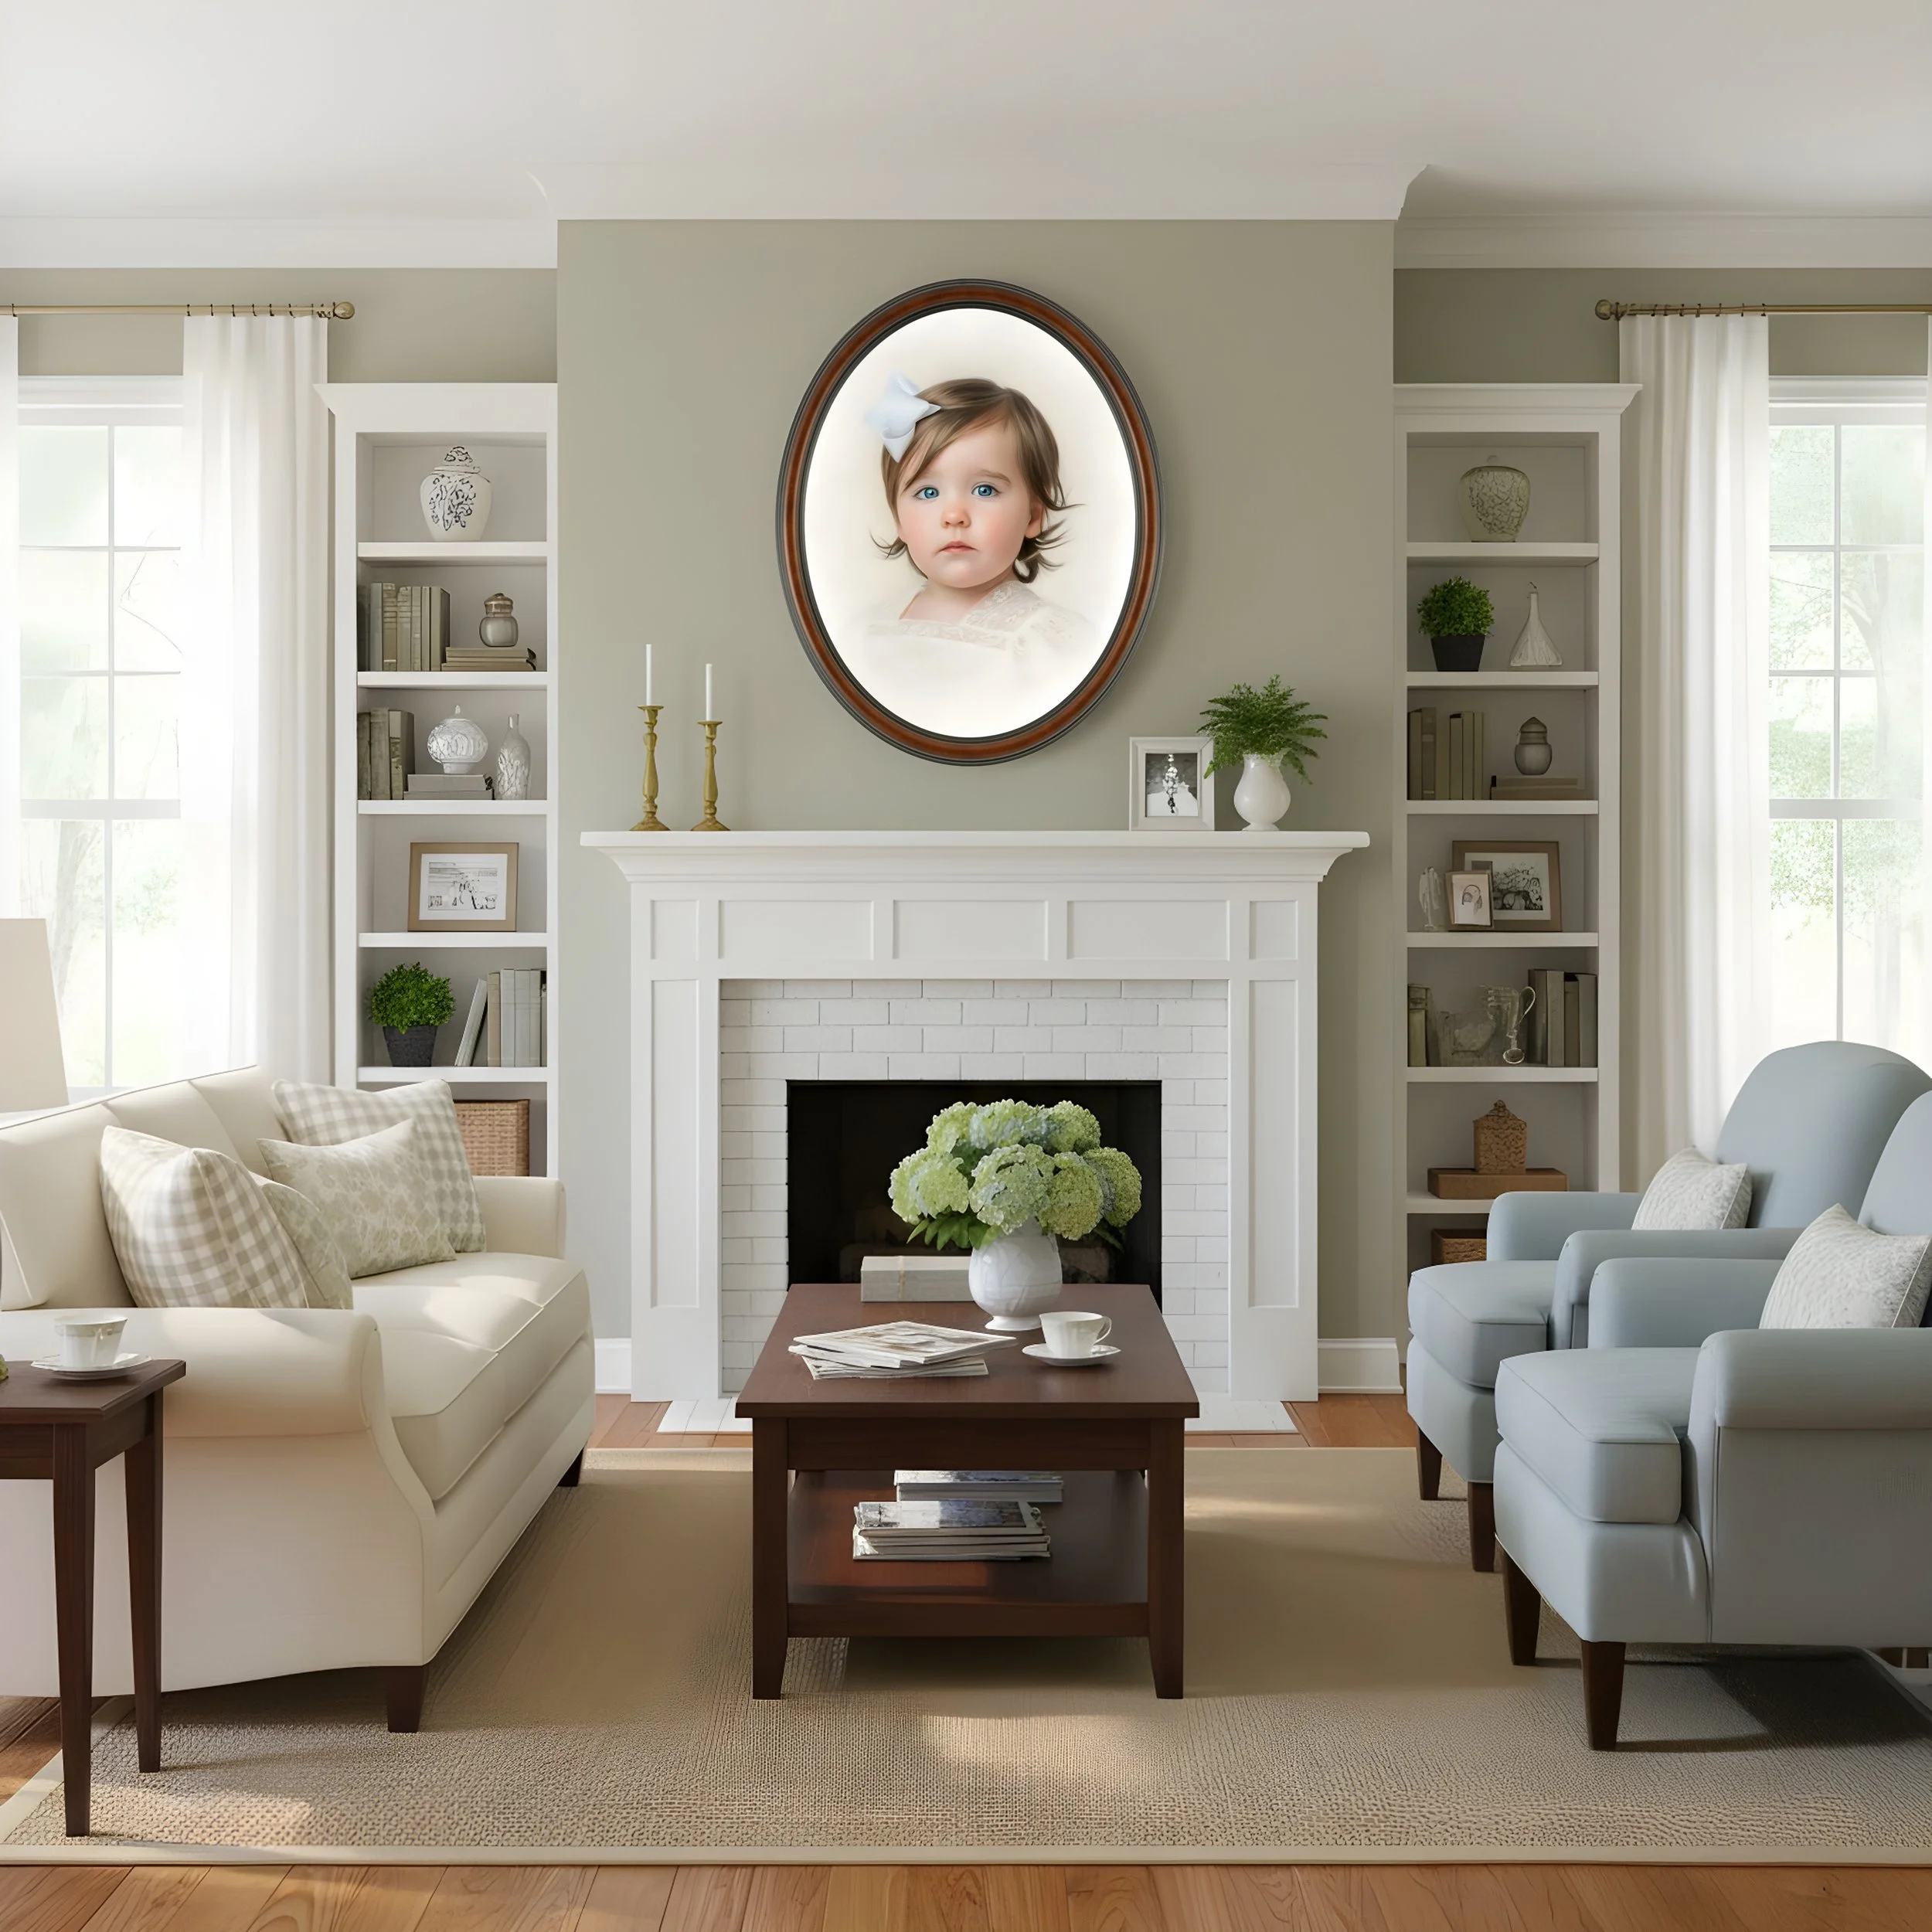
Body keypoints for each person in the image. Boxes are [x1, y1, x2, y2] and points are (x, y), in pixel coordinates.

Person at [843, 373, 1097, 736]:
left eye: (984, 489)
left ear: (1033, 516)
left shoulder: (1050, 643)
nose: (954, 515)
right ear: (899, 520)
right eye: (928, 493)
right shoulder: (861, 634)